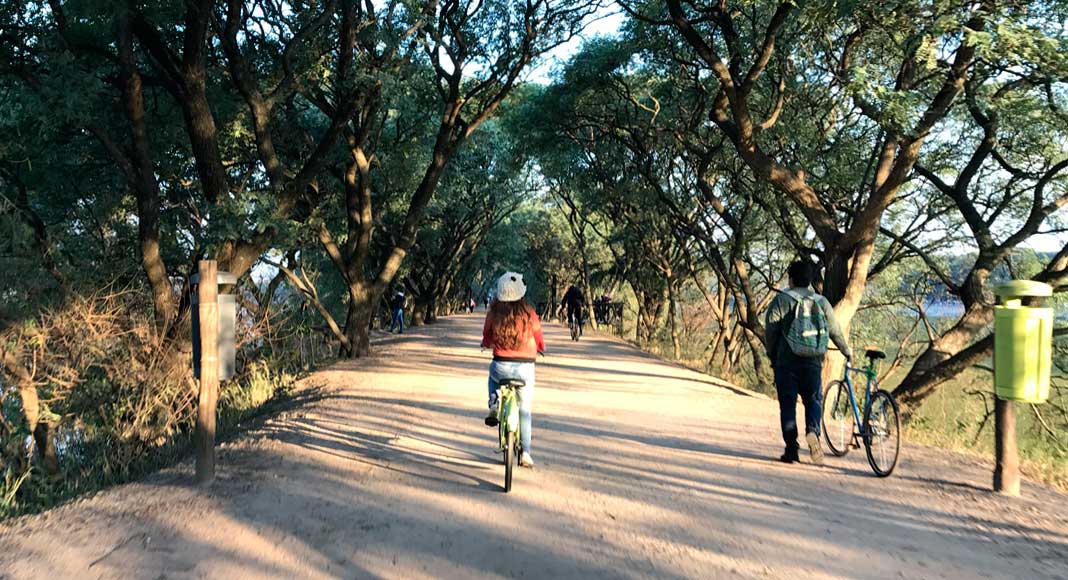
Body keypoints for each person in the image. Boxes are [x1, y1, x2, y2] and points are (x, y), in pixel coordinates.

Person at [764, 260, 852, 465]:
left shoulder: (782, 300)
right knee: (813, 400)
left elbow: (771, 331)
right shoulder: (821, 302)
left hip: (786, 361)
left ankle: (791, 449)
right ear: (811, 279)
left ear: (791, 278)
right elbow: (835, 330)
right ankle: (813, 432)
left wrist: (772, 355)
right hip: (813, 360)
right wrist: (846, 351)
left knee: (788, 405)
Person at [481, 272, 545, 468]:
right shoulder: (529, 313)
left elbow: (487, 335)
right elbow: (539, 336)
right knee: (525, 410)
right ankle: (526, 453)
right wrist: (541, 348)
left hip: (501, 364)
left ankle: (494, 401)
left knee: (492, 377)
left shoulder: (493, 313)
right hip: (525, 367)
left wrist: (486, 344)